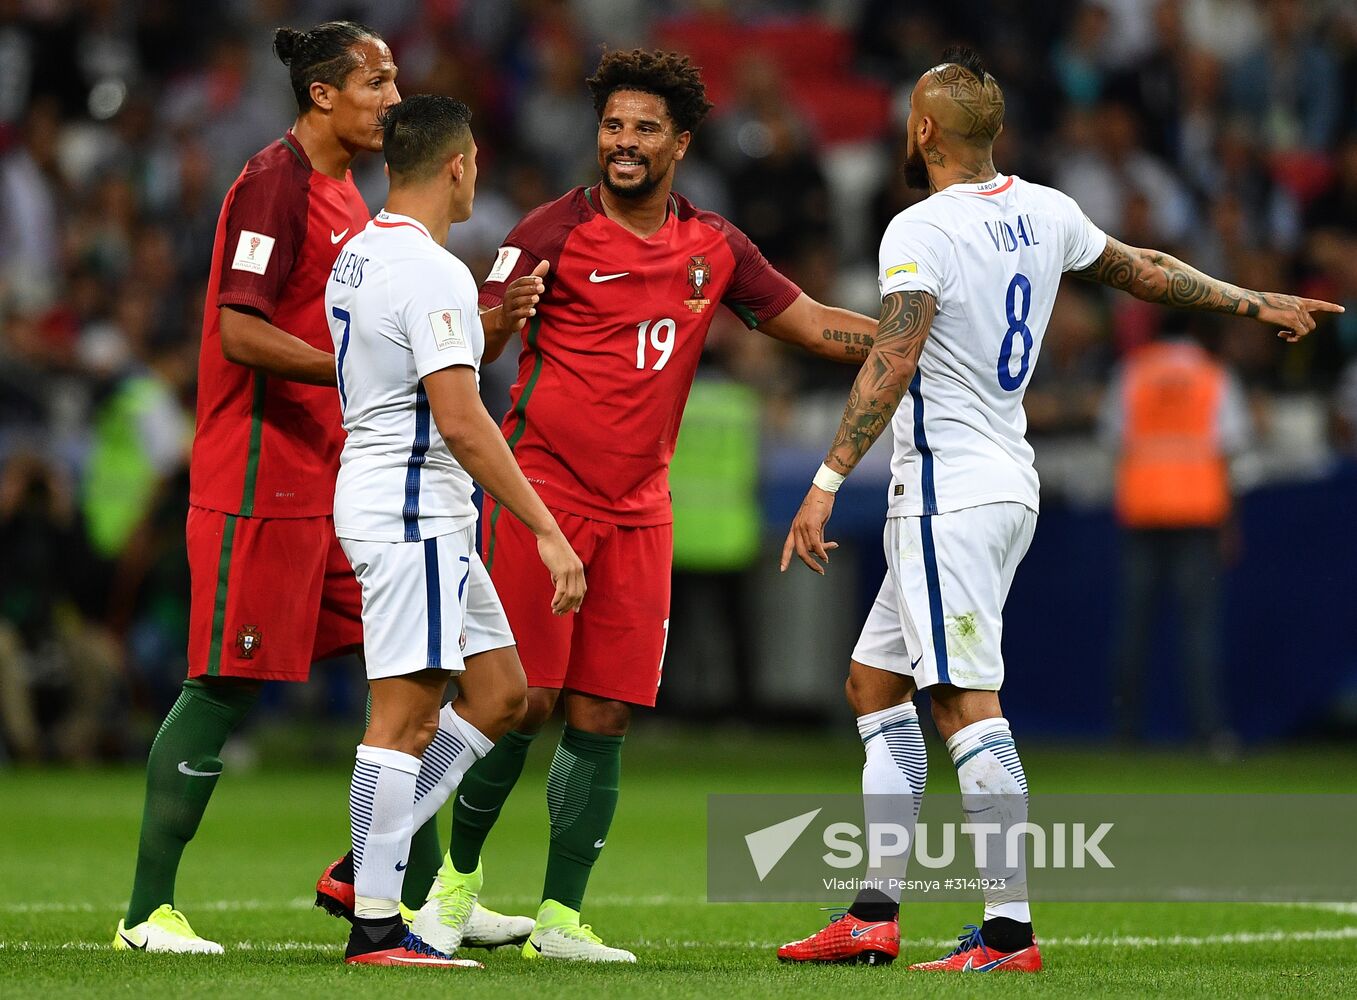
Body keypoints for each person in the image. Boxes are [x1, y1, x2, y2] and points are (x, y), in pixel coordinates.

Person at [776, 46, 1342, 972]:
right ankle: (873, 915)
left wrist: (827, 479)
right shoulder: (1046, 210)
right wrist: (1251, 300)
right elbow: (1146, 269)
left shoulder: (917, 227)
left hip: (945, 493)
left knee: (962, 703)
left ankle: (1007, 932)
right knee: (873, 687)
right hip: (1005, 482)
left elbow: (894, 354)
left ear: (921, 132)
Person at [315, 48, 879, 962]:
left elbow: (811, 323)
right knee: (520, 698)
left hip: (641, 511)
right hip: (541, 492)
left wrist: (904, 338)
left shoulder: (716, 247)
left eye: (642, 128)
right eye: (611, 126)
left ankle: (560, 919)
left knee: (605, 713)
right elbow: (463, 340)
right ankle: (449, 889)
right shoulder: (546, 232)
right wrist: (508, 317)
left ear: (680, 142)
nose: (621, 142)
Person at [113, 21, 399, 954]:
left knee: (418, 669)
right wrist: (357, 371)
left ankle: (401, 890)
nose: (393, 100)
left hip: (333, 477)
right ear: (323, 94)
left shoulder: (348, 192)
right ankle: (145, 913)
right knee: (224, 683)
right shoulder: (271, 184)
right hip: (259, 477)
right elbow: (240, 333)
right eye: (377, 83)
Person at [318, 94, 584, 968]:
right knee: (405, 717)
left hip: (407, 501)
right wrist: (545, 529)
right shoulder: (432, 272)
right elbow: (464, 421)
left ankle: (364, 864)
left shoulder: (361, 252)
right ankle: (377, 927)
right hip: (412, 510)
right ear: (460, 165)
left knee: (503, 695)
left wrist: (494, 324)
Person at [1101, 320, 1252, 752]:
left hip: (1143, 514)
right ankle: (1209, 731)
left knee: (1132, 630)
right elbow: (1231, 451)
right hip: (1197, 516)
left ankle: (1125, 730)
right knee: (1199, 631)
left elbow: (1113, 439)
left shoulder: (1132, 372)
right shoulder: (1213, 374)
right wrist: (1231, 526)